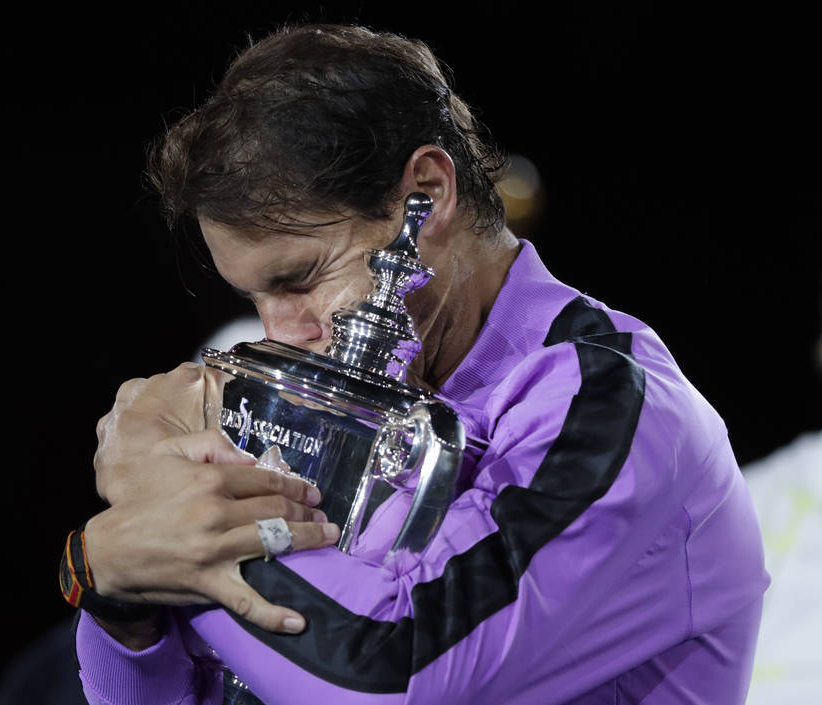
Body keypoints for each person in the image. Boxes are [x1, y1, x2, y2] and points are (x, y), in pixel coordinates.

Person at [65, 24, 768, 704]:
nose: (283, 330)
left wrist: (164, 524)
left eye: (301, 277)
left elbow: (401, 674)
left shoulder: (615, 405)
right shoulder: (339, 398)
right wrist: (122, 599)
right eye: (256, 295)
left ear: (425, 194)